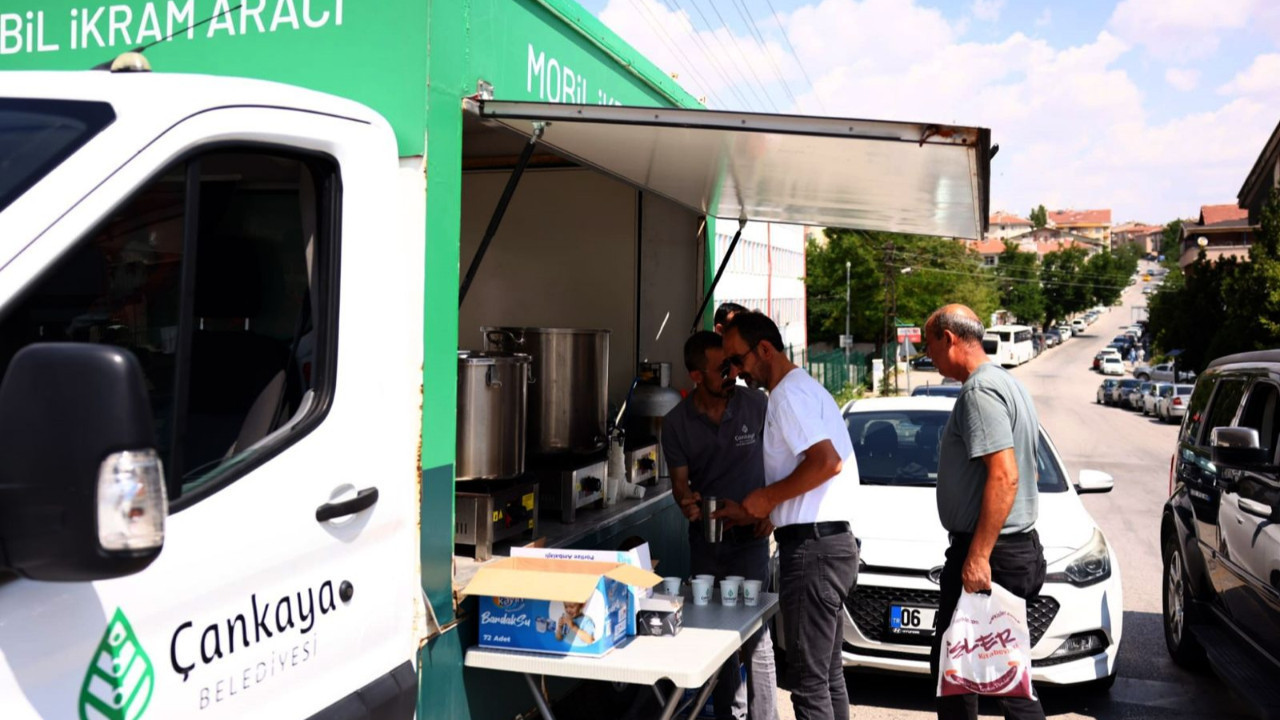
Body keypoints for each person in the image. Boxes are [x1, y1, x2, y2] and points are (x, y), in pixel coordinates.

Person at [715, 312, 860, 720]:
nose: (736, 373)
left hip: (814, 552)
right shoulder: (803, 389)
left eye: (738, 360)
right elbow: (811, 481)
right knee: (827, 677)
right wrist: (760, 510)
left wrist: (767, 497)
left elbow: (827, 462)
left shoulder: (787, 395)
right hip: (830, 545)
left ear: (764, 349)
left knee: (810, 686)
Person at [921, 304, 1047, 720]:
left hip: (993, 554)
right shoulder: (1007, 383)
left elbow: (1006, 476)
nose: (928, 357)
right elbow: (1021, 471)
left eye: (928, 346)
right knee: (964, 671)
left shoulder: (979, 391)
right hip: (1008, 548)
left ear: (949, 339)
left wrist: (977, 556)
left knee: (992, 678)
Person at [663, 330, 778, 720]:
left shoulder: (757, 405)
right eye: (721, 369)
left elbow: (783, 462)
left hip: (751, 539)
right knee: (717, 635)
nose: (732, 374)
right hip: (706, 542)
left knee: (755, 636)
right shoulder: (676, 423)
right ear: (696, 376)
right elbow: (680, 485)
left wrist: (772, 512)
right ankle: (731, 715)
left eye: (731, 366)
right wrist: (686, 502)